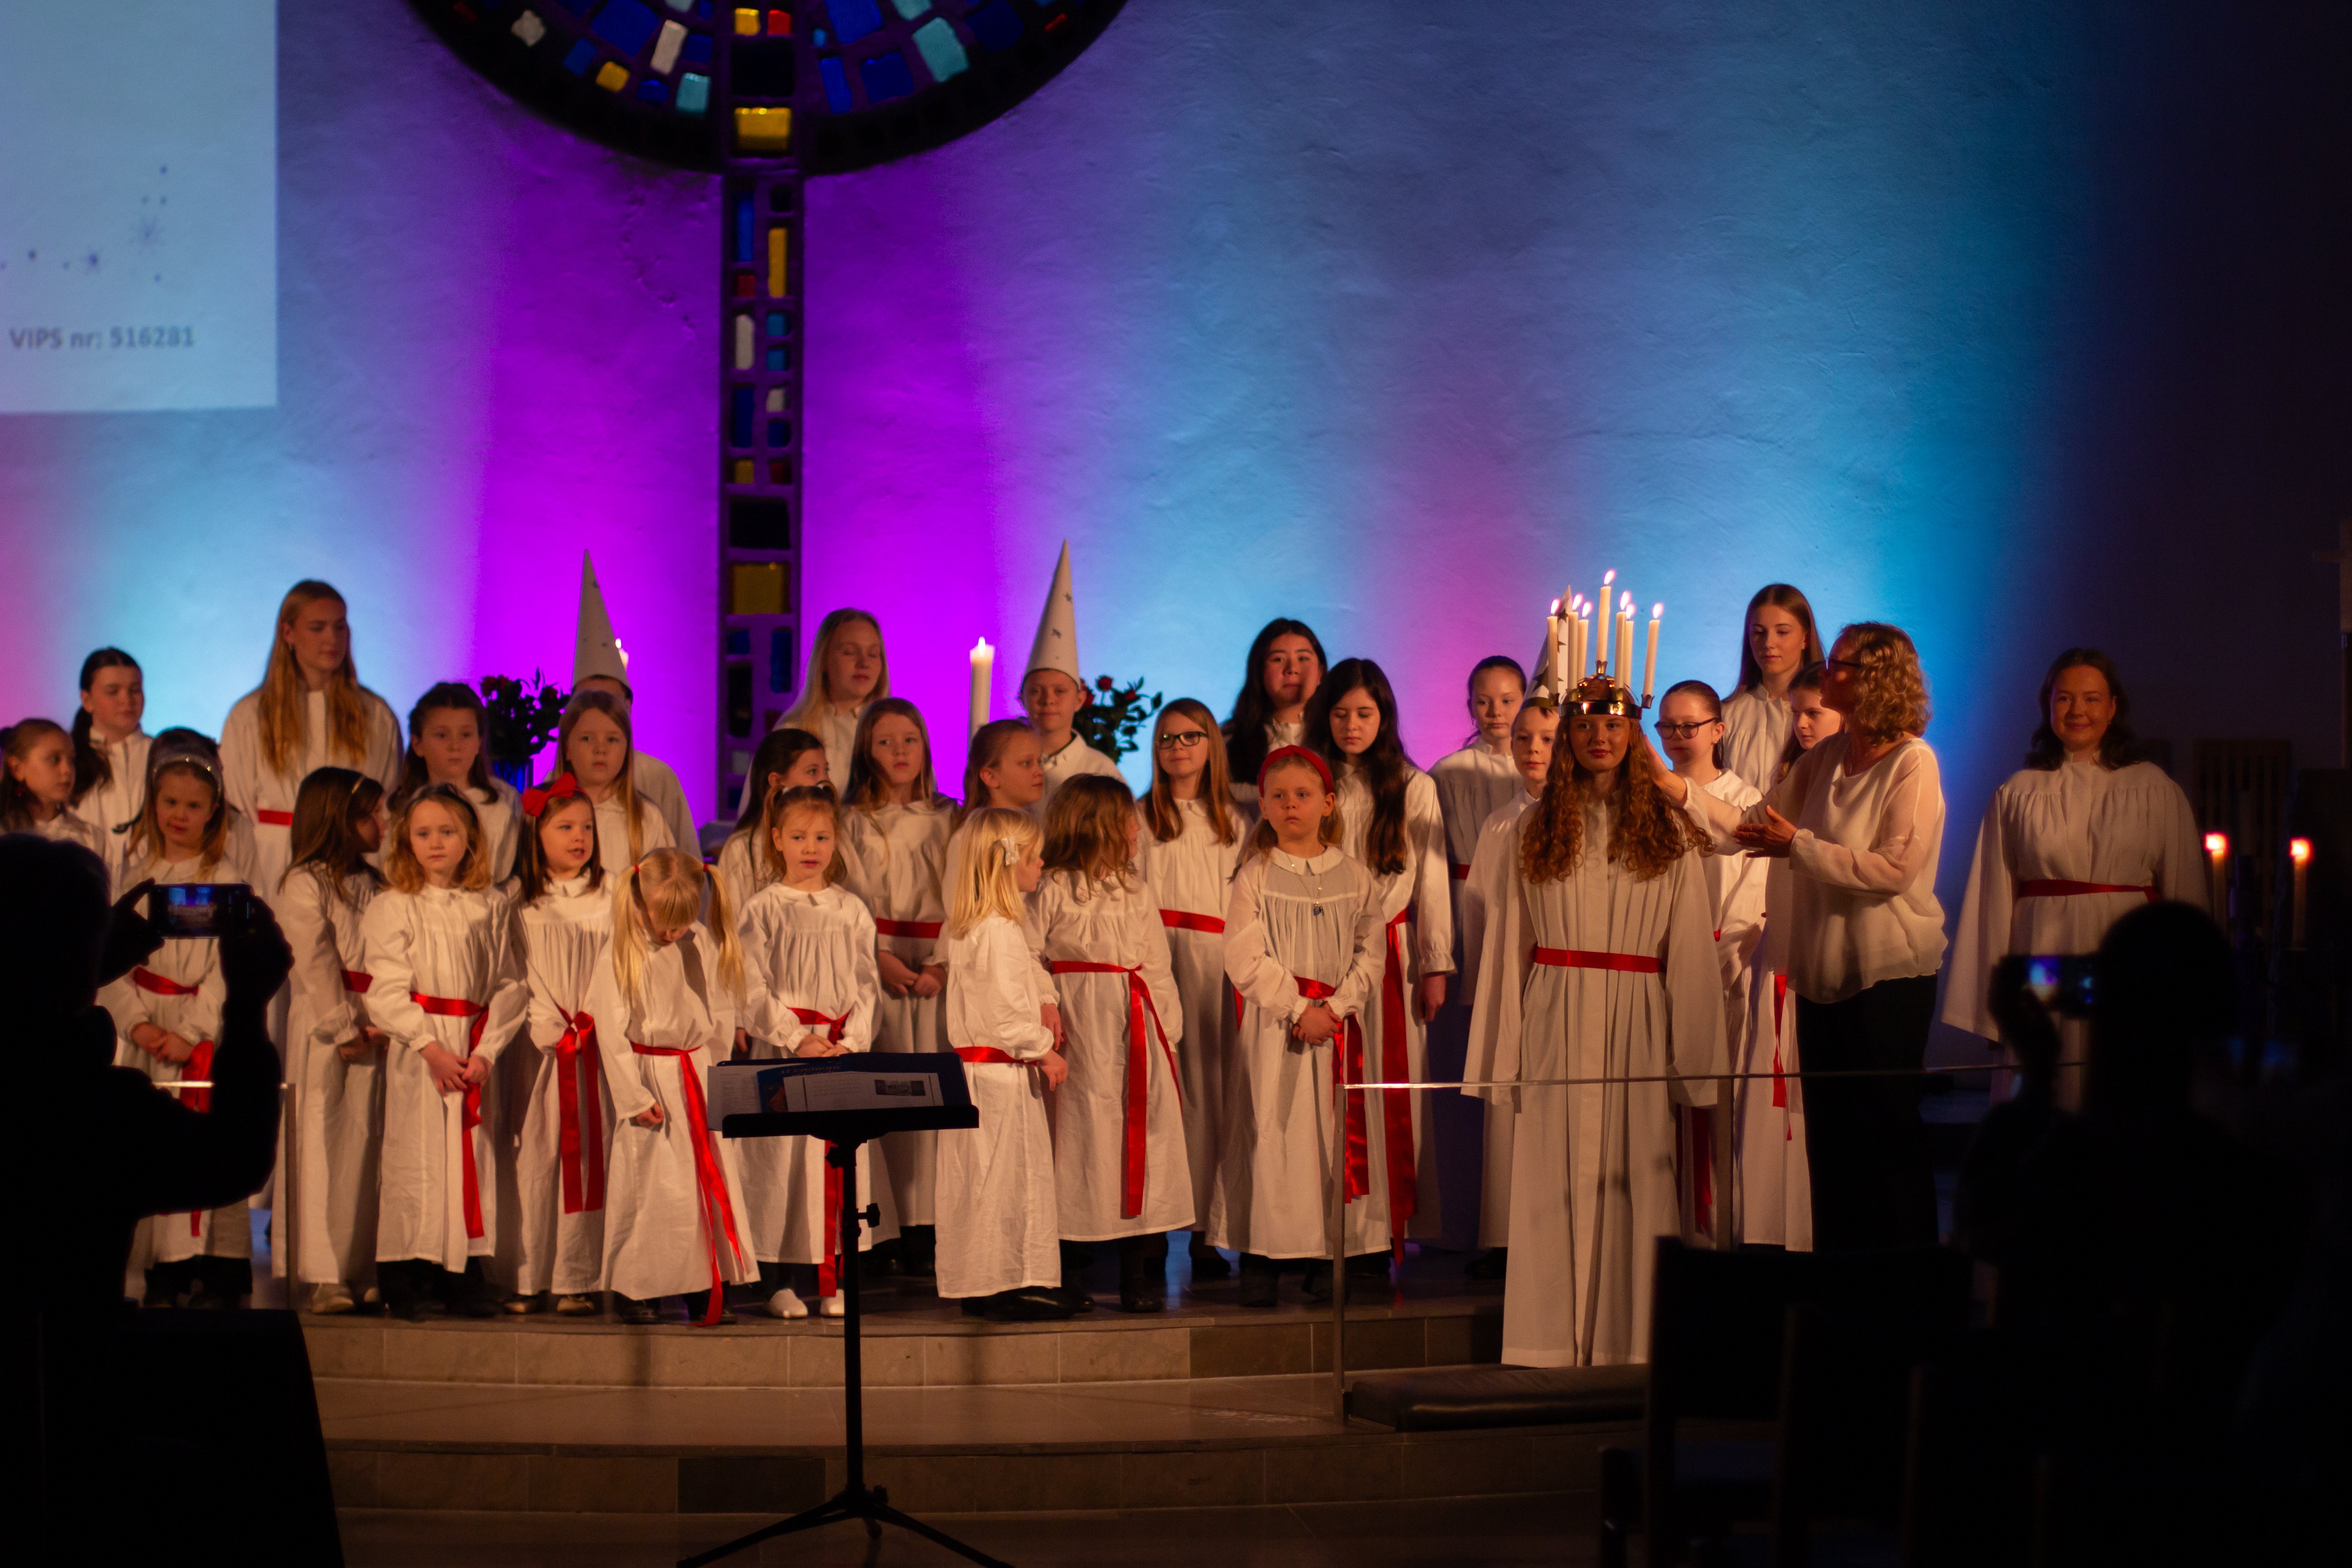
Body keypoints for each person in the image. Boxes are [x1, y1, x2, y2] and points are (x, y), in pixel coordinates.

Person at [6, 835, 289, 1560]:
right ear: (84, 955)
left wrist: (88, 965)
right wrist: (248, 1010)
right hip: (68, 1424)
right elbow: (234, 1158)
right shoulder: (94, 1105)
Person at [1659, 622, 1946, 1252]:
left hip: (1887, 975)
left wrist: (1802, 846)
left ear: (1873, 679)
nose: (1824, 669)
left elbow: (1896, 870)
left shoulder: (1912, 761)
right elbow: (1748, 828)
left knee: (1886, 1140)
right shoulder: (1824, 759)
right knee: (1834, 1143)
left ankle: (1908, 1287)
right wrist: (1674, 787)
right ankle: (1841, 1292)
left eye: (1838, 664)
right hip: (1823, 976)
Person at [1464, 677, 1726, 1366]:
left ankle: (1630, 1341)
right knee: (1552, 1178)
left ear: (1631, 736)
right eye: (1583, 727)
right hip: (1555, 1007)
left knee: (1636, 1177)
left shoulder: (1668, 828)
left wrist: (1694, 1060)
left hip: (1637, 1017)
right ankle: (1546, 1341)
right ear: (1569, 740)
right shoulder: (1534, 825)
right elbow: (1509, 943)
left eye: (1612, 726)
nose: (1598, 738)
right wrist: (1503, 1052)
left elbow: (1691, 951)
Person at [1945, 649, 2206, 1110]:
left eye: (2090, 698)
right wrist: (1993, 1008)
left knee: (2120, 1083)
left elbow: (2183, 895)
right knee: (2049, 1083)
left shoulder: (2154, 789)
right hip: (2041, 950)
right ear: (2047, 706)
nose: (2077, 711)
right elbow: (1992, 901)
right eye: (2064, 698)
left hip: (2124, 958)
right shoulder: (2017, 792)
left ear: (2112, 707)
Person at [1210, 746, 1384, 1308]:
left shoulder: (1356, 876)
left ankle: (1324, 1256)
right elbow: (1243, 956)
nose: (1291, 805)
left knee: (1329, 1140)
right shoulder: (1255, 876)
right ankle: (1261, 1258)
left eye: (1303, 795)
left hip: (1335, 1029)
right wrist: (1295, 1007)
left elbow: (1370, 951)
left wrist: (1335, 1009)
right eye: (1278, 795)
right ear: (1261, 804)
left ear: (1328, 803)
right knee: (1271, 1132)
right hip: (1276, 1029)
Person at [101, 737, 262, 1305]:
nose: (179, 815)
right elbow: (110, 953)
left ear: (214, 809)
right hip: (146, 1029)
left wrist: (192, 1030)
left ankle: (219, 1267)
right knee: (151, 1145)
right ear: (153, 801)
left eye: (193, 806)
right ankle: (164, 1269)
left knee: (211, 1138)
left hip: (199, 1031)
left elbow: (229, 967)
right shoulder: (133, 871)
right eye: (170, 802)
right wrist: (138, 1024)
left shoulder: (229, 876)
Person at [1306, 657, 1454, 1256]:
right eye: (1340, 714)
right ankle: (1324, 1234)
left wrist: (1435, 962)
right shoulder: (1312, 782)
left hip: (1388, 957)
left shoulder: (1415, 787)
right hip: (1317, 954)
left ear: (1383, 716)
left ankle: (1379, 1232)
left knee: (1384, 1090)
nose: (1351, 725)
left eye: (1364, 713)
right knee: (1324, 1093)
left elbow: (1433, 881)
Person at [363, 784, 526, 1318]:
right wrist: (428, 1046)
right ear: (406, 841)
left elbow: (509, 983)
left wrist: (487, 1050)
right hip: (423, 1053)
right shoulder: (393, 906)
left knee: (469, 1160)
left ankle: (463, 1275)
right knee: (417, 1160)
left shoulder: (490, 905)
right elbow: (384, 989)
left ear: (469, 838)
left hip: (472, 1046)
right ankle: (405, 1275)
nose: (435, 843)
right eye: (423, 833)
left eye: (447, 831)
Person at [1035, 775, 1191, 1312]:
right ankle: (1069, 1268)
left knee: (1135, 1141)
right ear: (1097, 826)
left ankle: (1137, 1268)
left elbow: (1156, 961)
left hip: (1133, 1026)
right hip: (1077, 1026)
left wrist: (1167, 1031)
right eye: (1126, 820)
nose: (1135, 830)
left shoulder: (1135, 889)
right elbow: (1031, 954)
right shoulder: (1051, 885)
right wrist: (1044, 1012)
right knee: (1077, 1141)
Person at [736, 785, 889, 1320]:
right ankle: (777, 1280)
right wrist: (792, 1034)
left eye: (821, 836)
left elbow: (868, 983)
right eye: (798, 836)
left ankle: (833, 1276)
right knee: (780, 1165)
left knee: (834, 1160)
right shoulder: (762, 908)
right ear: (776, 838)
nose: (810, 847)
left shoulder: (850, 909)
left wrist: (849, 1040)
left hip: (836, 1049)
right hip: (786, 1049)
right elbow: (749, 983)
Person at [588, 849, 754, 1325]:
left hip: (695, 1075)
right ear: (640, 903)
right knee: (652, 1191)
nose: (672, 933)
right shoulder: (621, 950)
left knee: (698, 1189)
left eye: (681, 923)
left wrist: (719, 1073)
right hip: (652, 1079)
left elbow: (719, 1008)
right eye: (665, 923)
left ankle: (702, 1286)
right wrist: (634, 1098)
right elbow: (611, 1032)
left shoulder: (699, 940)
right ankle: (636, 1288)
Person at [936, 808, 1079, 1321]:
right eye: (1033, 854)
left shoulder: (987, 926)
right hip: (995, 1075)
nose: (1042, 863)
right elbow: (1001, 1013)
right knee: (999, 1177)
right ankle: (998, 1281)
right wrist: (1043, 1046)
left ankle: (1013, 1276)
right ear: (1007, 860)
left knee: (1002, 1178)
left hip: (994, 1074)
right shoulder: (993, 930)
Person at [1654, 679, 1774, 1245]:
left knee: (1717, 1104)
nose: (1676, 738)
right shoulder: (1650, 799)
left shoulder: (1744, 799)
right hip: (1657, 973)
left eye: (1689, 726)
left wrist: (1710, 964)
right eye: (1667, 727)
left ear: (1717, 730)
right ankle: (1670, 1228)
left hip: (1722, 970)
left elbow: (1751, 899)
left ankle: (1719, 1229)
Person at [1135, 699, 1250, 1280]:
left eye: (1190, 736)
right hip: (1156, 959)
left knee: (1209, 1093)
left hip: (1210, 967)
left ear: (1211, 745)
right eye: (1166, 738)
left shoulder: (1233, 823)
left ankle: (1207, 1228)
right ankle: (1150, 1231)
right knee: (1159, 1094)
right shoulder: (1139, 820)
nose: (1177, 747)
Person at [838, 697, 953, 1273]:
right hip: (879, 968)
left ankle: (930, 1224)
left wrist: (941, 962)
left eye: (910, 739)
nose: (900, 751)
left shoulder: (950, 818)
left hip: (934, 971)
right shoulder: (851, 823)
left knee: (932, 1090)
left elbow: (964, 894)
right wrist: (877, 953)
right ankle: (888, 1224)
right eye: (885, 741)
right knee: (886, 1090)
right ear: (865, 750)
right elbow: (849, 898)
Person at [277, 767, 389, 1314]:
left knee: (369, 1146)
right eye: (370, 813)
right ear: (336, 819)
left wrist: (386, 1017)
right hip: (332, 1029)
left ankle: (363, 1263)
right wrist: (344, 1026)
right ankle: (325, 1271)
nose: (383, 822)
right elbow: (314, 958)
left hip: (375, 1022)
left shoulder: (376, 882)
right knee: (325, 1142)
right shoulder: (305, 882)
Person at [1457, 691, 1560, 1279]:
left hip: (1553, 969)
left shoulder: (1577, 817)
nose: (1532, 749)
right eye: (1522, 737)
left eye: (1546, 738)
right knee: (1506, 1102)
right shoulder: (1500, 821)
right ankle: (1502, 1233)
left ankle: (1546, 1228)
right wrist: (1484, 986)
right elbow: (1478, 906)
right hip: (1506, 974)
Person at [220, 580, 404, 899]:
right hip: (275, 861)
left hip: (352, 859)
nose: (332, 639)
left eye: (340, 627)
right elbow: (238, 802)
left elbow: (384, 794)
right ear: (288, 633)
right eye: (317, 628)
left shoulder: (374, 715)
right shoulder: (252, 715)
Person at [507, 775, 613, 1317]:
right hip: (542, 1048)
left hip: (600, 1047)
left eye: (587, 827)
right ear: (536, 833)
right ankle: (527, 1273)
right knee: (539, 1155)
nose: (580, 837)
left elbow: (624, 964)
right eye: (565, 826)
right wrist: (551, 1026)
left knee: (595, 1156)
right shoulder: (519, 901)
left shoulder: (613, 892)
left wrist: (595, 1021)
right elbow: (513, 972)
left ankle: (582, 1274)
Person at [573, 551, 700, 854]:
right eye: (588, 701)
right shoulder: (554, 787)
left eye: (610, 701)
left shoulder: (657, 778)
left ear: (628, 706)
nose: (600, 712)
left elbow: (682, 860)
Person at [1020, 543, 1123, 814]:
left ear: (1080, 699)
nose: (1048, 700)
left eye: (1060, 691)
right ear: (1022, 698)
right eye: (1036, 691)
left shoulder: (1100, 772)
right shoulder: (1009, 765)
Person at [394, 682, 522, 884]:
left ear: (479, 742)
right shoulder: (398, 807)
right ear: (418, 744)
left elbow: (502, 876)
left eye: (466, 735)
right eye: (442, 735)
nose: (455, 746)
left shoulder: (497, 810)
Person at [557, 688, 673, 880]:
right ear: (567, 749)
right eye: (587, 738)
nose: (600, 749)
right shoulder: (549, 815)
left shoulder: (646, 818)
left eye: (612, 739)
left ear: (627, 748)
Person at [1719, 584, 1824, 794]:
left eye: (1782, 632)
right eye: (1759, 633)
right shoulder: (1728, 714)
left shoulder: (1827, 711)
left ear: (1805, 638)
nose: (1769, 643)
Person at [715, 726, 828, 915]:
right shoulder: (742, 848)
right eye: (812, 772)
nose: (824, 780)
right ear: (776, 781)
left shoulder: (832, 841)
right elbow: (730, 922)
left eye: (826, 770)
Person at [773, 607, 888, 789]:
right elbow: (761, 810)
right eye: (850, 652)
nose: (864, 663)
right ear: (824, 659)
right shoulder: (793, 732)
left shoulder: (896, 732)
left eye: (873, 654)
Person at [68, 647, 151, 883]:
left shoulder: (161, 754)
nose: (126, 700)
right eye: (113, 691)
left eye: (135, 690)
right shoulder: (67, 758)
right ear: (87, 700)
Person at [1223, 618, 1328, 802]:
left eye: (1303, 658)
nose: (1292, 669)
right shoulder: (1228, 741)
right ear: (1259, 672)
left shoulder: (1338, 738)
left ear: (1320, 673)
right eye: (1278, 659)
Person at [2, 719, 103, 861]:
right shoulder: (5, 832)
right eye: (54, 759)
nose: (67, 770)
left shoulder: (89, 836)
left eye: (71, 760)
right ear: (17, 768)